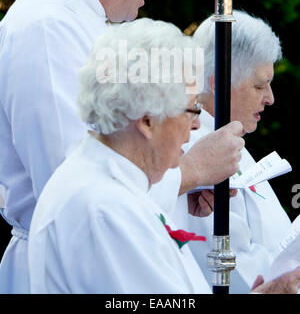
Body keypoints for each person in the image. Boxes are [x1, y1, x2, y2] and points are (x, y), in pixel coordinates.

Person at [0, 0, 243, 293]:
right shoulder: (46, 28)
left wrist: (178, 182)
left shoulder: (75, 20)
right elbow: (73, 182)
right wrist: (190, 170)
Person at [28, 18, 300, 294]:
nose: (196, 125)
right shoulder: (106, 211)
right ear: (147, 121)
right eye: (190, 110)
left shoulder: (113, 184)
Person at [171, 10, 292, 294]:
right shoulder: (198, 148)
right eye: (259, 85)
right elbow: (230, 268)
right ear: (218, 83)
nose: (270, 98)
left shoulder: (227, 135)